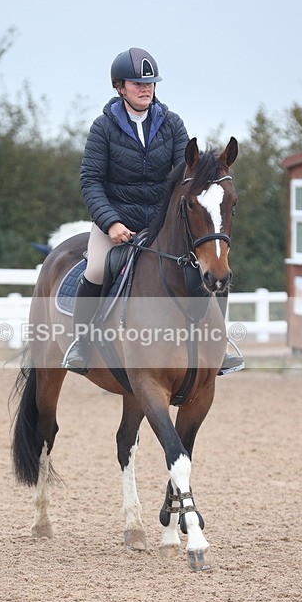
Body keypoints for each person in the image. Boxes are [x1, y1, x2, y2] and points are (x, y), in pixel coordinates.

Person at [61, 47, 244, 376]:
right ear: (120, 87)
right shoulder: (103, 127)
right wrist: (111, 222)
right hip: (117, 224)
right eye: (137, 84)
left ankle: (219, 344)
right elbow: (90, 181)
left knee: (213, 267)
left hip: (163, 225)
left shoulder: (172, 124)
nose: (145, 89)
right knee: (97, 269)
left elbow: (187, 176)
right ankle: (82, 343)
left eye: (149, 83)